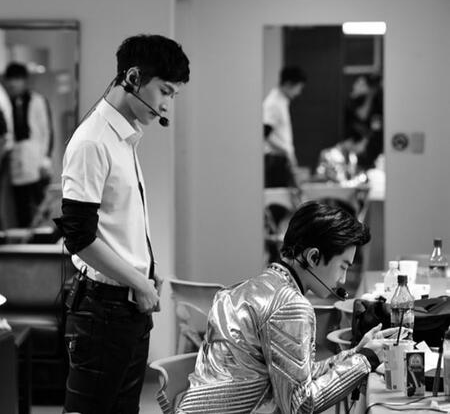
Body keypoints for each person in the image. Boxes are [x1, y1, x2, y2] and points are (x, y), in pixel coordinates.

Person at [55, 34, 190, 413]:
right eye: (164, 91)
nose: (165, 105)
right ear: (133, 78)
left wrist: (147, 271)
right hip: (102, 309)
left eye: (173, 95)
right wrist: (138, 281)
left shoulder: (124, 138)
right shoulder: (93, 141)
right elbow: (79, 237)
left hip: (125, 305)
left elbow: (119, 223)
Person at [177, 201, 406, 414]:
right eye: (343, 267)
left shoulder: (242, 290)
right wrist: (366, 360)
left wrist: (357, 353)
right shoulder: (290, 305)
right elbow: (302, 404)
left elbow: (298, 375)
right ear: (313, 257)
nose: (343, 280)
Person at [3, 62, 53, 227]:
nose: (13, 84)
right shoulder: (6, 103)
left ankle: (43, 236)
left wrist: (46, 159)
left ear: (24, 80)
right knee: (21, 207)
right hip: (15, 158)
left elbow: (47, 131)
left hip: (35, 157)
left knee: (40, 203)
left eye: (17, 79)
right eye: (10, 80)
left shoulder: (37, 100)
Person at [263, 65, 307, 188]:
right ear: (288, 84)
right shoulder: (274, 103)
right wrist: (285, 150)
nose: (299, 92)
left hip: (281, 158)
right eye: (299, 87)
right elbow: (264, 132)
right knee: (279, 195)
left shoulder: (281, 101)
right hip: (276, 159)